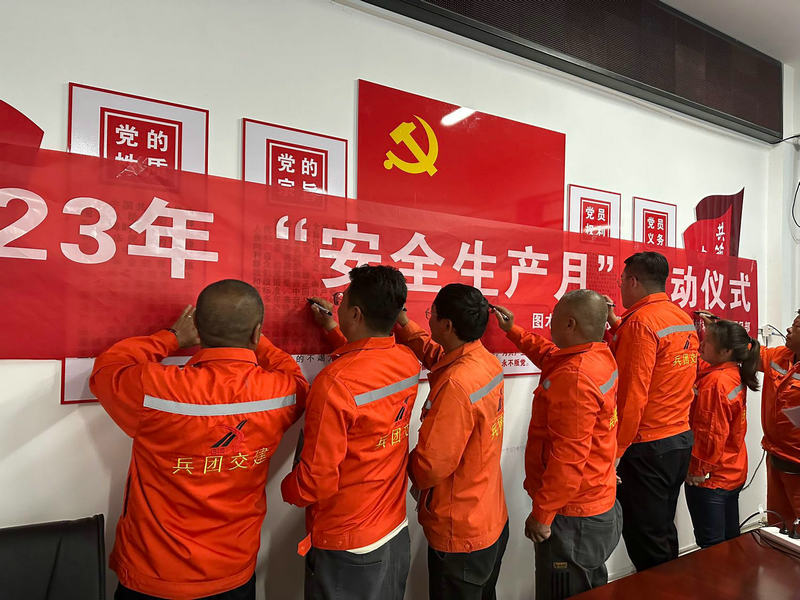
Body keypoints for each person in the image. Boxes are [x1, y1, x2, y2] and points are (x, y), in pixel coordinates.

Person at [90, 279, 308, 600]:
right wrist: (255, 341)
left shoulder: (157, 388)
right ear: (256, 332)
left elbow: (108, 368)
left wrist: (172, 337)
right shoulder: (282, 392)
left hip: (155, 571)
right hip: (233, 571)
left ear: (198, 329)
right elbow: (296, 378)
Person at [281, 265, 421, 600]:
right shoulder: (406, 359)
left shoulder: (334, 384)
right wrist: (333, 328)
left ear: (356, 314)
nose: (338, 305)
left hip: (348, 549)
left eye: (341, 301)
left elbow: (314, 482)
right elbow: (368, 363)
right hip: (393, 531)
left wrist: (276, 488)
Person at [494, 289, 621, 600]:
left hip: (574, 518)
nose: (549, 323)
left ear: (570, 324)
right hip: (595, 501)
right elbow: (548, 355)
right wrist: (513, 330)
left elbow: (568, 458)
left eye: (554, 318)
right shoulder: (596, 356)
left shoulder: (575, 377)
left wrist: (543, 514)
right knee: (589, 585)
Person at [395, 283, 508, 600]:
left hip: (461, 534)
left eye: (430, 314)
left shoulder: (456, 385)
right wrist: (404, 323)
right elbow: (438, 358)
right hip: (488, 517)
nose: (428, 319)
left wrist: (395, 462)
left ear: (446, 325)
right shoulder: (483, 360)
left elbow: (431, 466)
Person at [605, 251, 698, 571]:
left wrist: (616, 453)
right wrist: (617, 325)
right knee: (662, 529)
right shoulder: (680, 317)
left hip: (648, 447)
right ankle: (670, 586)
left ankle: (661, 590)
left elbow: (633, 397)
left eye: (621, 281)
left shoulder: (640, 323)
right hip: (678, 440)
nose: (620, 287)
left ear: (633, 281)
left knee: (647, 540)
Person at [685, 318, 760, 548]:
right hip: (732, 469)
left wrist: (698, 471)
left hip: (712, 477)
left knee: (712, 547)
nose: (701, 345)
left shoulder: (716, 384)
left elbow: (710, 433)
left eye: (707, 341)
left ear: (726, 351)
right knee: (730, 539)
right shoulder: (732, 371)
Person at [757, 310, 800, 525]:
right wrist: (722, 329)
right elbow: (753, 353)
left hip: (797, 462)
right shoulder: (781, 356)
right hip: (776, 455)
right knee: (778, 523)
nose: (789, 329)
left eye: (797, 327)